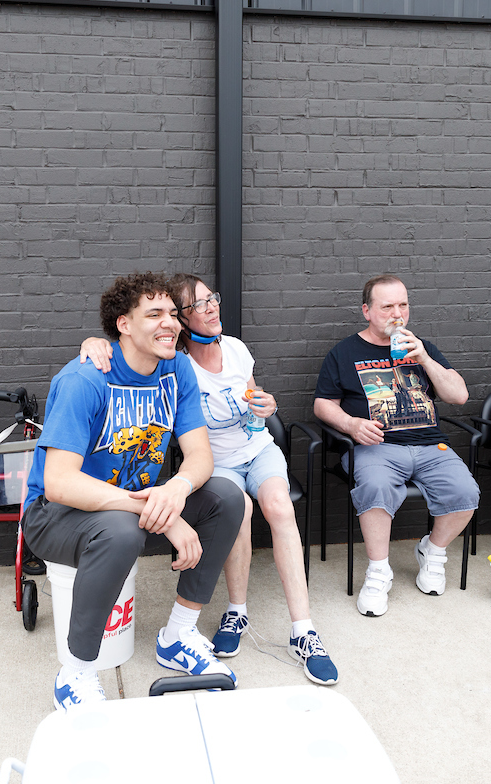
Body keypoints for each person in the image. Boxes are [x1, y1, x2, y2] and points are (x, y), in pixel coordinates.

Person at [79, 274, 338, 686]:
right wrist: (93, 344)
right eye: (200, 304)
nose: (212, 307)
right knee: (239, 508)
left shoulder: (234, 348)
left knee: (278, 505)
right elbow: (124, 345)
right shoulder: (173, 361)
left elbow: (255, 403)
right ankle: (236, 612)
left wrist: (266, 406)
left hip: (257, 449)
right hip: (217, 463)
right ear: (183, 319)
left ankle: (303, 631)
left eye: (212, 298)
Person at [23, 272, 244, 711]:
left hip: (126, 507)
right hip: (55, 516)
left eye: (172, 314)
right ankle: (77, 674)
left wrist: (177, 490)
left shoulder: (176, 368)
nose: (171, 323)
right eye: (154, 314)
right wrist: (164, 512)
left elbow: (200, 456)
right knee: (122, 531)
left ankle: (178, 634)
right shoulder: (85, 379)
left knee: (228, 497)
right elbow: (60, 482)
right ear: (123, 324)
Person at [313, 274, 479, 616]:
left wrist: (425, 360)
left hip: (431, 445)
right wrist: (351, 424)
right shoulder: (344, 353)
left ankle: (432, 552)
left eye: (403, 305)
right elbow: (322, 404)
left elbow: (459, 396)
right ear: (367, 311)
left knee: (466, 492)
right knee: (375, 487)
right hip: (377, 446)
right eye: (387, 306)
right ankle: (378, 572)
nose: (397, 314)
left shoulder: (422, 347)